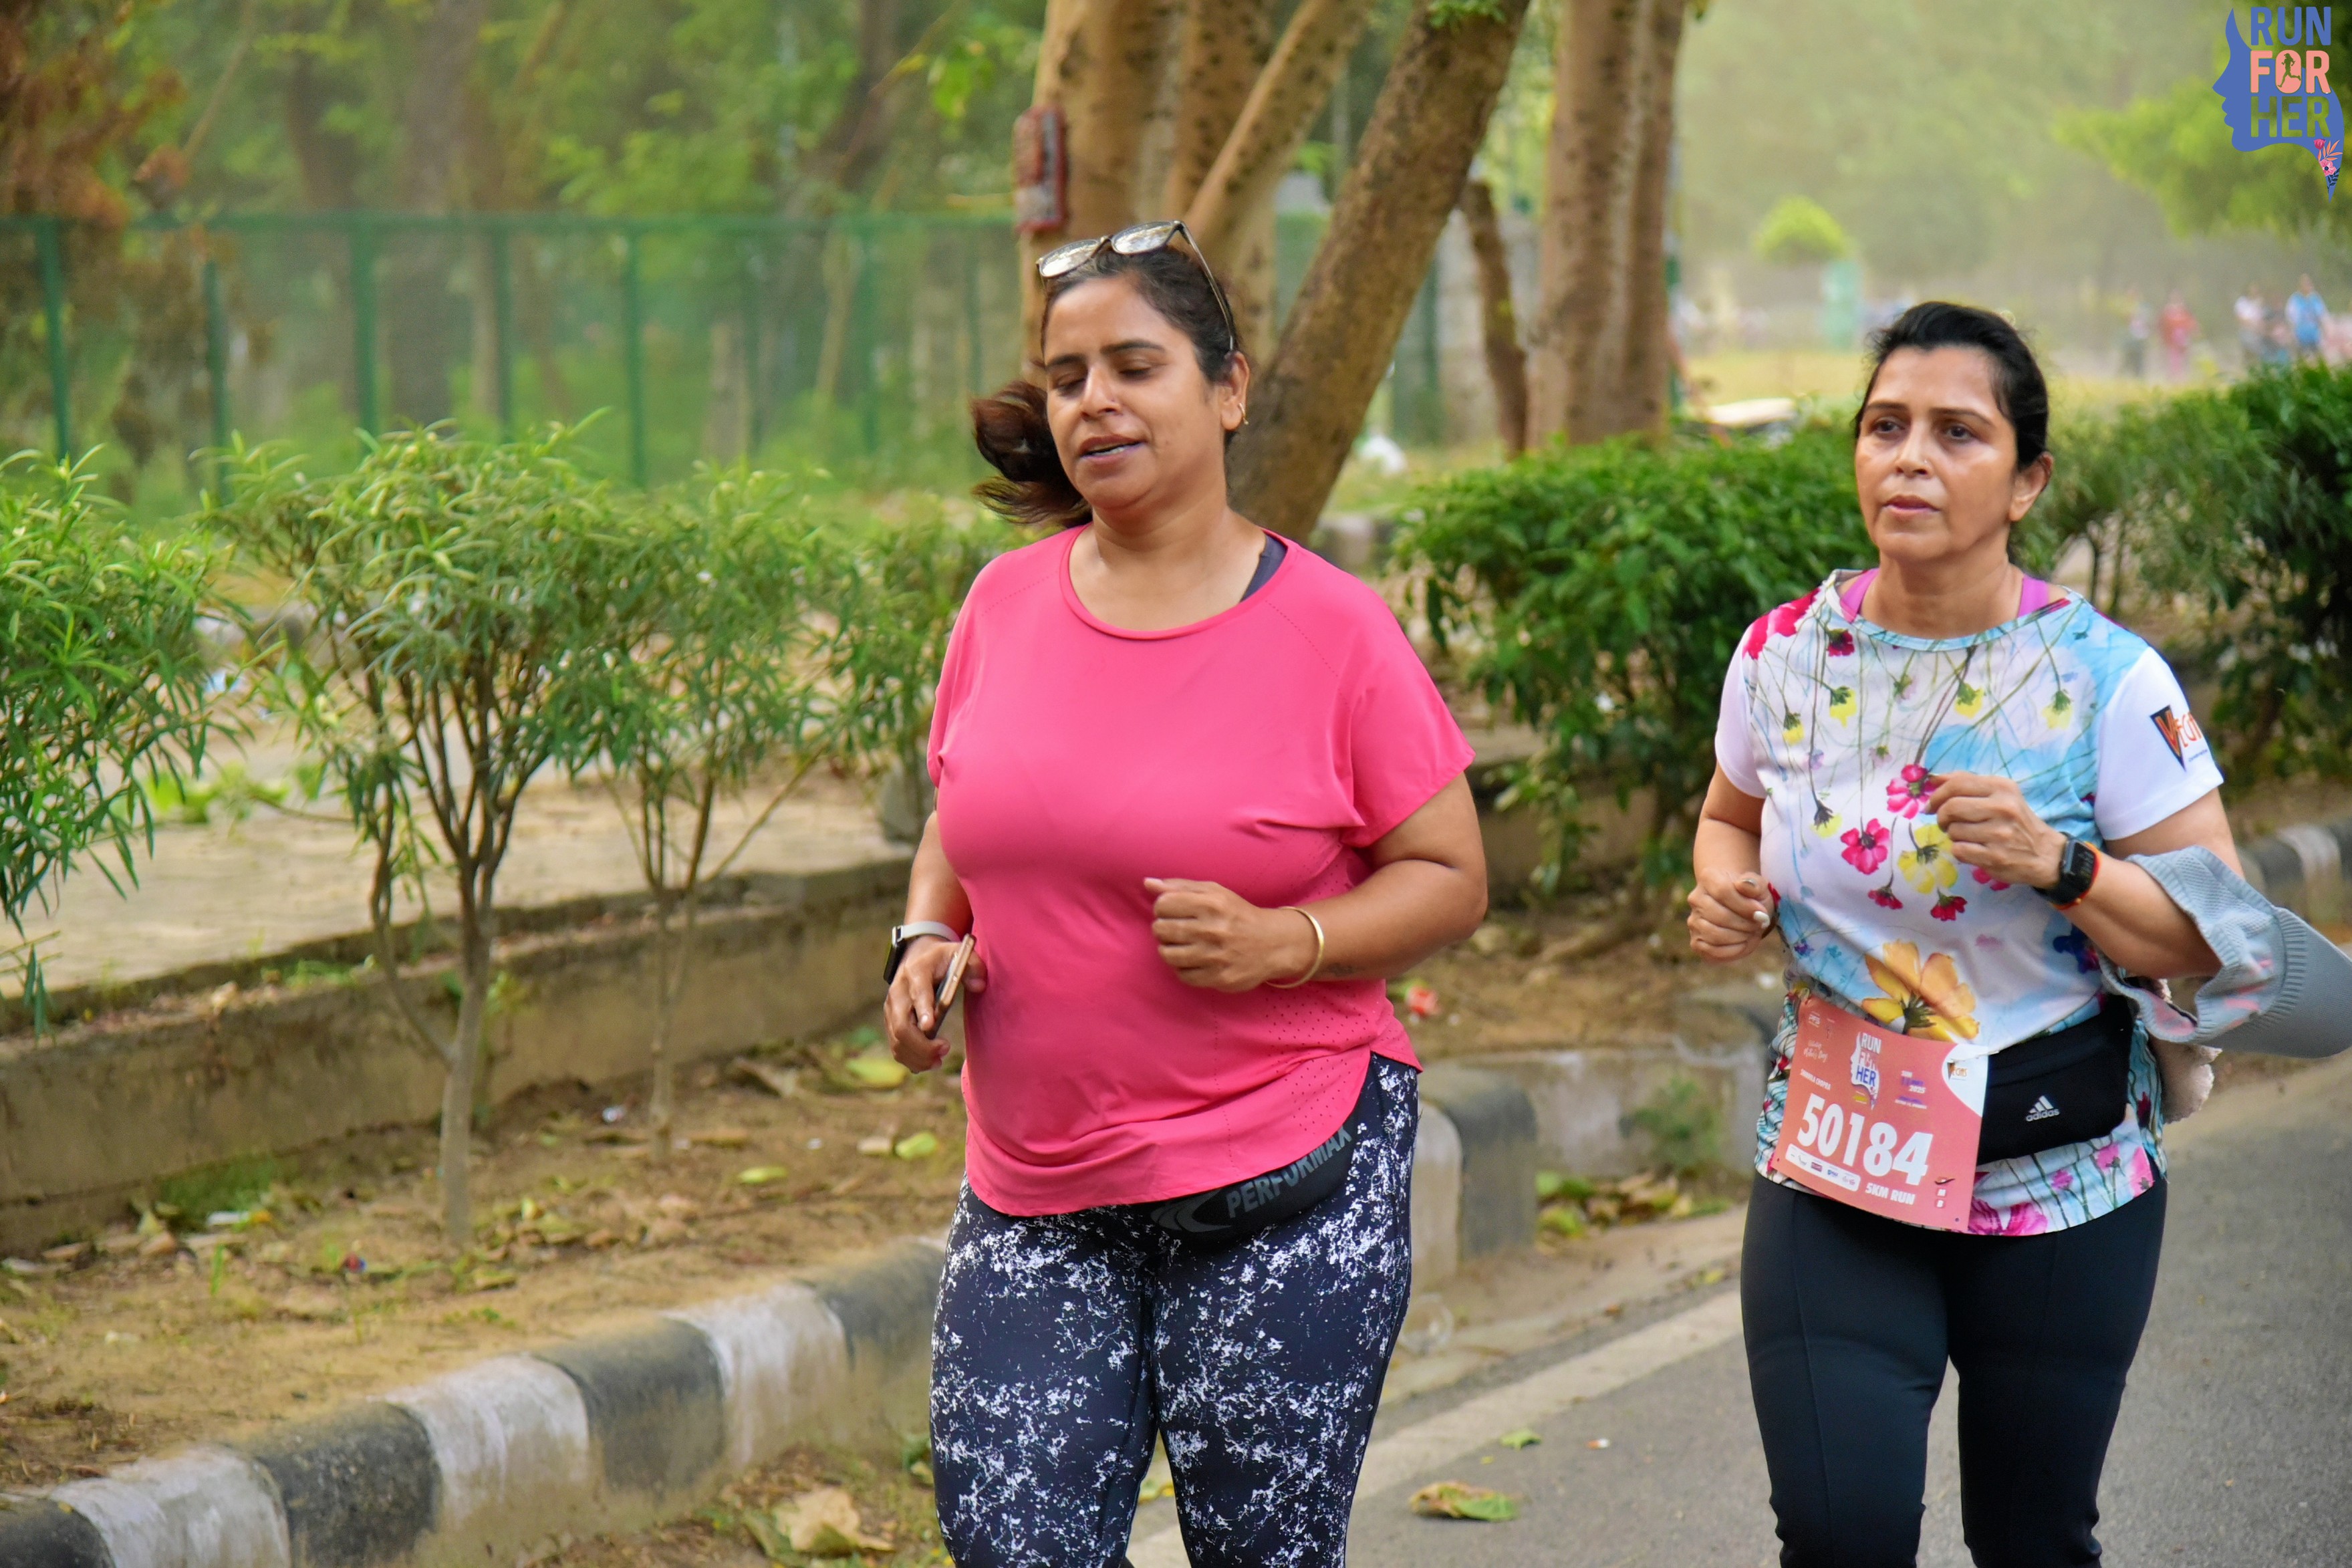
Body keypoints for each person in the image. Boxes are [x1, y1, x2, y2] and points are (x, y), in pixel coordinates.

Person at [881, 219, 1488, 1567]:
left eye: (1133, 366)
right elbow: (961, 812)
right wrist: (926, 934)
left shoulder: (1332, 630)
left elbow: (1450, 876)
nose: (1092, 401)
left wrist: (1290, 940)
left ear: (1226, 389)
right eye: (1066, 376)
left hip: (1282, 1182)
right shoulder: (1001, 606)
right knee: (1009, 1544)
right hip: (1035, 1189)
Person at [1688, 301, 2240, 1567]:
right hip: (1839, 1152)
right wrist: (1722, 888)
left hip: (2057, 1169)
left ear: (2024, 481)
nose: (1909, 458)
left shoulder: (2102, 678)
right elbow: (1726, 815)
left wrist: (2060, 863)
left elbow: (2212, 930)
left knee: (2031, 1537)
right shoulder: (1781, 656)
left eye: (1955, 433)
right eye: (1883, 426)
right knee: (1838, 1530)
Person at [2286, 273, 2330, 362]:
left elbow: (2322, 316)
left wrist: (2325, 331)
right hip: (2300, 336)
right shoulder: (2294, 300)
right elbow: (2290, 318)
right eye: (2304, 283)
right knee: (2303, 360)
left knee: (2319, 359)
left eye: (2308, 283)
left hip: (2315, 335)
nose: (2307, 285)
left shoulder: (2316, 299)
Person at [2162, 288, 2198, 380]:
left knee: (2184, 357)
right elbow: (2164, 325)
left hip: (2183, 337)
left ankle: (2184, 376)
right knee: (2174, 358)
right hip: (2172, 338)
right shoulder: (2168, 310)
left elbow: (2190, 322)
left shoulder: (2184, 310)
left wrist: (2193, 331)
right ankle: (2174, 376)